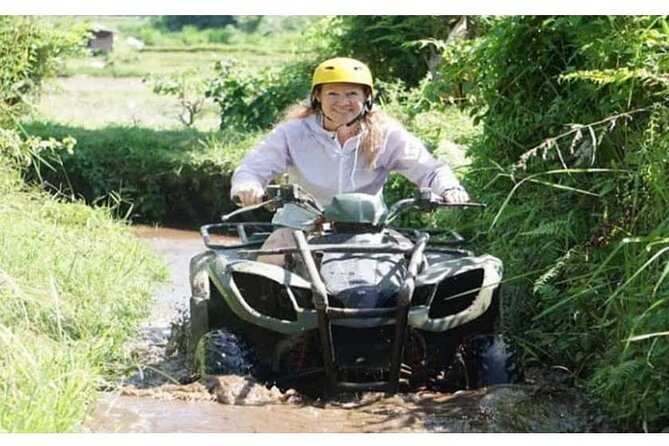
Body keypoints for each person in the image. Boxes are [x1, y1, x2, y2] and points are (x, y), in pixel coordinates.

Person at [230, 57, 469, 263]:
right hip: (300, 227)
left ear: (367, 97)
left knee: (414, 265)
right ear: (317, 97)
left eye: (352, 94)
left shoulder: (387, 134)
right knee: (271, 261)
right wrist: (248, 186)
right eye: (333, 93)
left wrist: (449, 188)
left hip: (369, 230)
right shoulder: (293, 133)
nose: (343, 102)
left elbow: (429, 169)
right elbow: (254, 167)